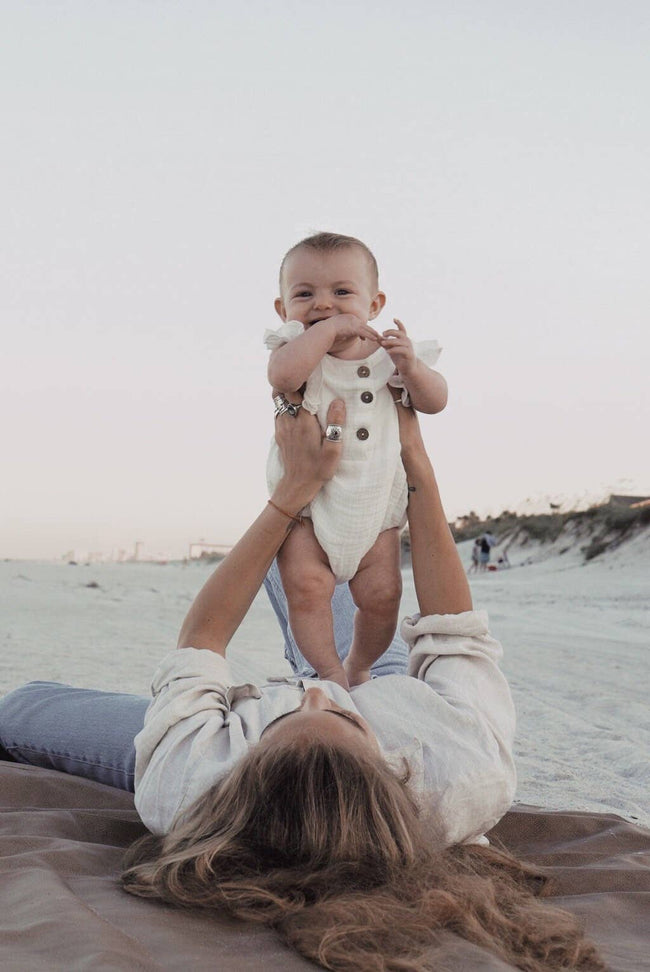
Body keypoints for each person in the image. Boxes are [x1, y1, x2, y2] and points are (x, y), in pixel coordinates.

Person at [0, 399, 603, 971]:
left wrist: (290, 494)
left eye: (290, 715)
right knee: (335, 560)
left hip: (247, 732)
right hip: (384, 688)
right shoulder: (462, 771)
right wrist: (413, 456)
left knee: (22, 708)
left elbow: (204, 637)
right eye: (340, 716)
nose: (318, 689)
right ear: (394, 767)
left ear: (245, 765)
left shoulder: (189, 782)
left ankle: (308, 513)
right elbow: (453, 630)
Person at [265, 231, 446, 689]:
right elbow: (282, 375)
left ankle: (360, 665)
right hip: (308, 509)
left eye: (342, 293)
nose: (323, 305)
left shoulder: (391, 354)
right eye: (304, 295)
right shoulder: (298, 354)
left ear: (375, 303)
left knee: (383, 595)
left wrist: (414, 369)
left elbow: (435, 401)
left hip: (374, 508)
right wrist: (325, 333)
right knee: (306, 588)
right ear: (283, 310)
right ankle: (328, 672)